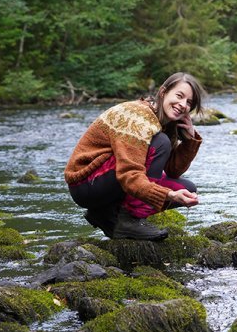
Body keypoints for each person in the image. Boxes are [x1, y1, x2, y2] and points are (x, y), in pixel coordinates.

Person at [64, 72, 205, 241]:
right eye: (179, 96)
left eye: (189, 102)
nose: (182, 105)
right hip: (86, 184)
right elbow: (129, 174)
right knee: (161, 143)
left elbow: (173, 171)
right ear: (163, 92)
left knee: (188, 189)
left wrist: (189, 140)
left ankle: (105, 214)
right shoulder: (138, 117)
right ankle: (130, 220)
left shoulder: (165, 123)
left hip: (110, 180)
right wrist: (169, 195)